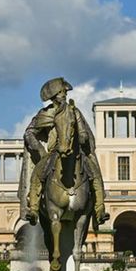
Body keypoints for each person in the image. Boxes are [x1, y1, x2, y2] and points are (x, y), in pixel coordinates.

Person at [21, 77, 108, 227]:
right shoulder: (45, 114)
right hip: (54, 153)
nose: (65, 95)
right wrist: (39, 149)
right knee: (37, 174)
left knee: (95, 174)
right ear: (53, 95)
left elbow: (84, 132)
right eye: (61, 92)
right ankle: (33, 210)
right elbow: (29, 133)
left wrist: (82, 136)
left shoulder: (74, 111)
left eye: (65, 92)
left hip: (76, 152)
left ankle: (99, 209)